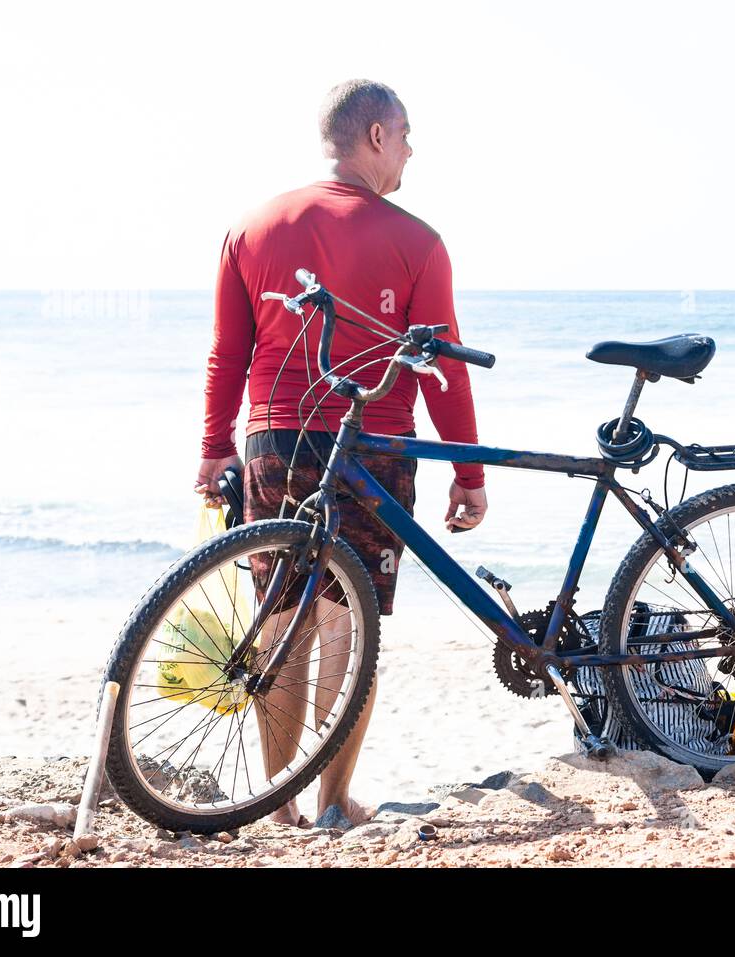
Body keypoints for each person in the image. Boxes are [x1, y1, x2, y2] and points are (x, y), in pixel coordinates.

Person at [194, 79, 488, 828]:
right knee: (343, 625)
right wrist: (469, 473)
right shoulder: (417, 240)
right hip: (371, 445)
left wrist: (210, 449)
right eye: (407, 134)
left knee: (278, 621)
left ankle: (278, 805)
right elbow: (444, 368)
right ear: (377, 137)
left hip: (273, 438)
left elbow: (229, 352)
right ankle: (332, 802)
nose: (413, 150)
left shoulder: (251, 227)